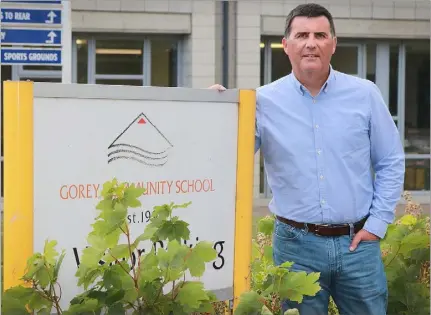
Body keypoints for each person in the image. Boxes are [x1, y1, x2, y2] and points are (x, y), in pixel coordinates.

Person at [210, 3, 405, 315]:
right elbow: (231, 154)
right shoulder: (262, 102)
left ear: (333, 43)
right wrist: (215, 112)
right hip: (295, 247)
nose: (311, 42)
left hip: (359, 245)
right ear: (286, 45)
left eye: (320, 34)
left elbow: (391, 160)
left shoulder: (365, 94)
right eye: (302, 35)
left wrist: (378, 223)